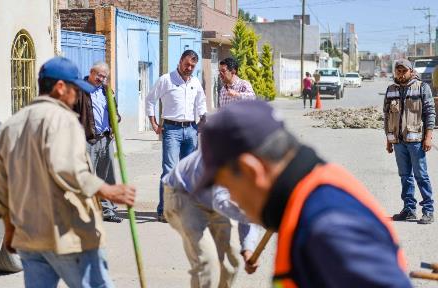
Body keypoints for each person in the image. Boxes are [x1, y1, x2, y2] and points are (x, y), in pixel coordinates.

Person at [197, 100, 412, 288]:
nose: (231, 198)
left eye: (226, 186)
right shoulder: (308, 199)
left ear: (250, 170)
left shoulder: (329, 226)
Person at [0, 57, 136, 288]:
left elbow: (1, 185)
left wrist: (9, 228)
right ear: (60, 87)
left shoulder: (12, 125)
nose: (77, 96)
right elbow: (66, 167)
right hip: (68, 234)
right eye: (75, 89)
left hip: (30, 236)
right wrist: (107, 189)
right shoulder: (63, 119)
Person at [163, 150, 260, 287]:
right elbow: (222, 201)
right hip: (184, 193)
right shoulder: (223, 152)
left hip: (218, 199)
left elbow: (251, 206)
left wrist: (248, 249)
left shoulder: (260, 162)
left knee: (231, 262)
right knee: (207, 262)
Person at [146, 50, 207, 222]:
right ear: (180, 61)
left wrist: (202, 120)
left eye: (192, 66)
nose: (189, 68)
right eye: (187, 64)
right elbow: (150, 99)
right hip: (171, 130)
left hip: (191, 130)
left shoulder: (195, 82)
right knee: (170, 170)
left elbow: (201, 103)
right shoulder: (166, 79)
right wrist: (154, 123)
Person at [384, 59, 435, 224]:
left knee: (421, 176)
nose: (400, 73)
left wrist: (428, 137)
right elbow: (387, 116)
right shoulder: (391, 90)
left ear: (411, 71)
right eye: (398, 70)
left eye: (403, 70)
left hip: (416, 141)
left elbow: (429, 113)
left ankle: (428, 210)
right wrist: (388, 140)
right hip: (398, 142)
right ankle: (409, 209)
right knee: (405, 176)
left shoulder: (422, 87)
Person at [73, 61, 123, 223]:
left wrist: (116, 118)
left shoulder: (107, 91)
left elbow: (114, 111)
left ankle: (107, 210)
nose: (101, 78)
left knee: (106, 176)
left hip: (106, 138)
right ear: (91, 72)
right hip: (87, 139)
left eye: (104, 76)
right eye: (98, 75)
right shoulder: (79, 90)